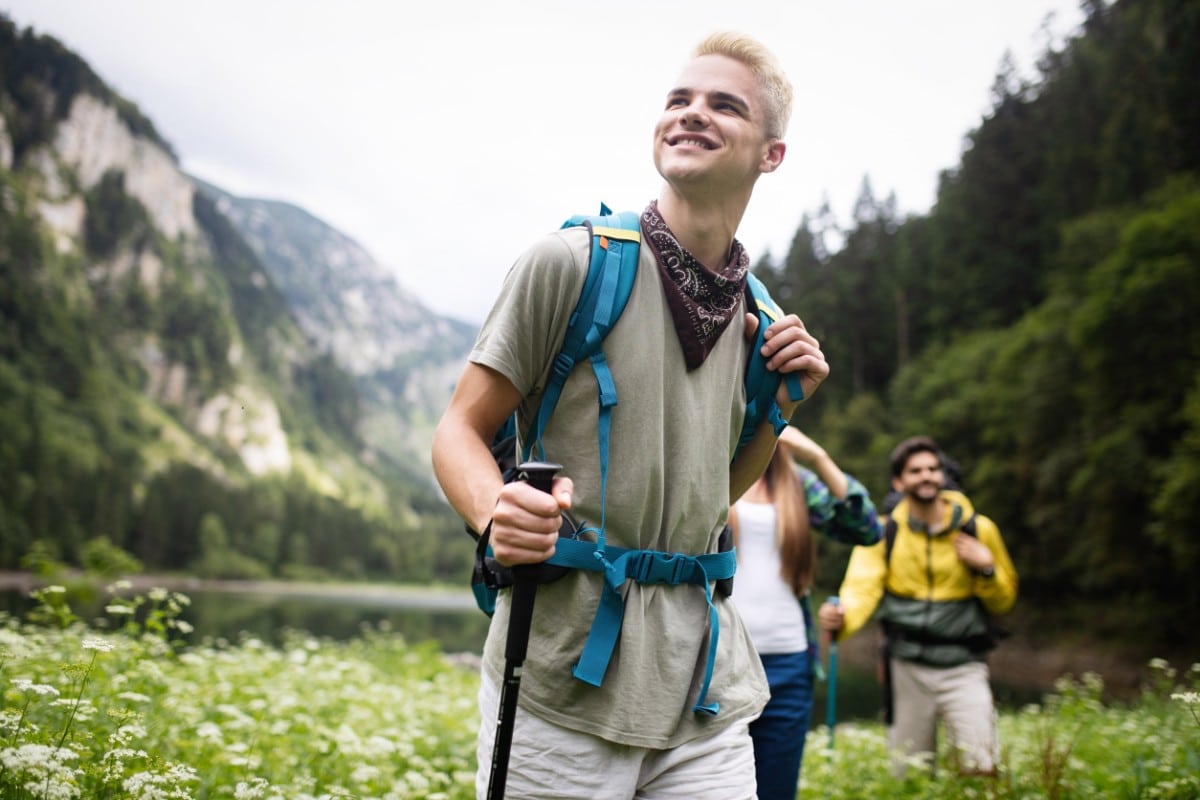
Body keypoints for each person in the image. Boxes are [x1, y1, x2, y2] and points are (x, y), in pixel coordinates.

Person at [431, 31, 829, 800]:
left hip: (705, 690)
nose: (690, 114)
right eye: (678, 100)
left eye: (723, 105)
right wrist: (494, 514)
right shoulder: (570, 262)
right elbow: (458, 431)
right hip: (559, 680)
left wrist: (778, 411)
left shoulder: (763, 321)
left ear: (770, 155)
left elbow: (709, 496)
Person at [818, 435, 1018, 777]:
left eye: (932, 469)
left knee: (980, 766)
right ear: (900, 481)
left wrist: (985, 567)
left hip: (964, 664)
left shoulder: (979, 530)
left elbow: (1004, 599)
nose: (926, 476)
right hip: (906, 666)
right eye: (916, 470)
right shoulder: (883, 533)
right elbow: (861, 588)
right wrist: (842, 618)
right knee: (909, 773)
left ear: (941, 476)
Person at [729, 426, 882, 800]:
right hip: (722, 662)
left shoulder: (796, 481)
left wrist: (816, 455)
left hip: (789, 663)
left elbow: (866, 529)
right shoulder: (716, 470)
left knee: (777, 790)